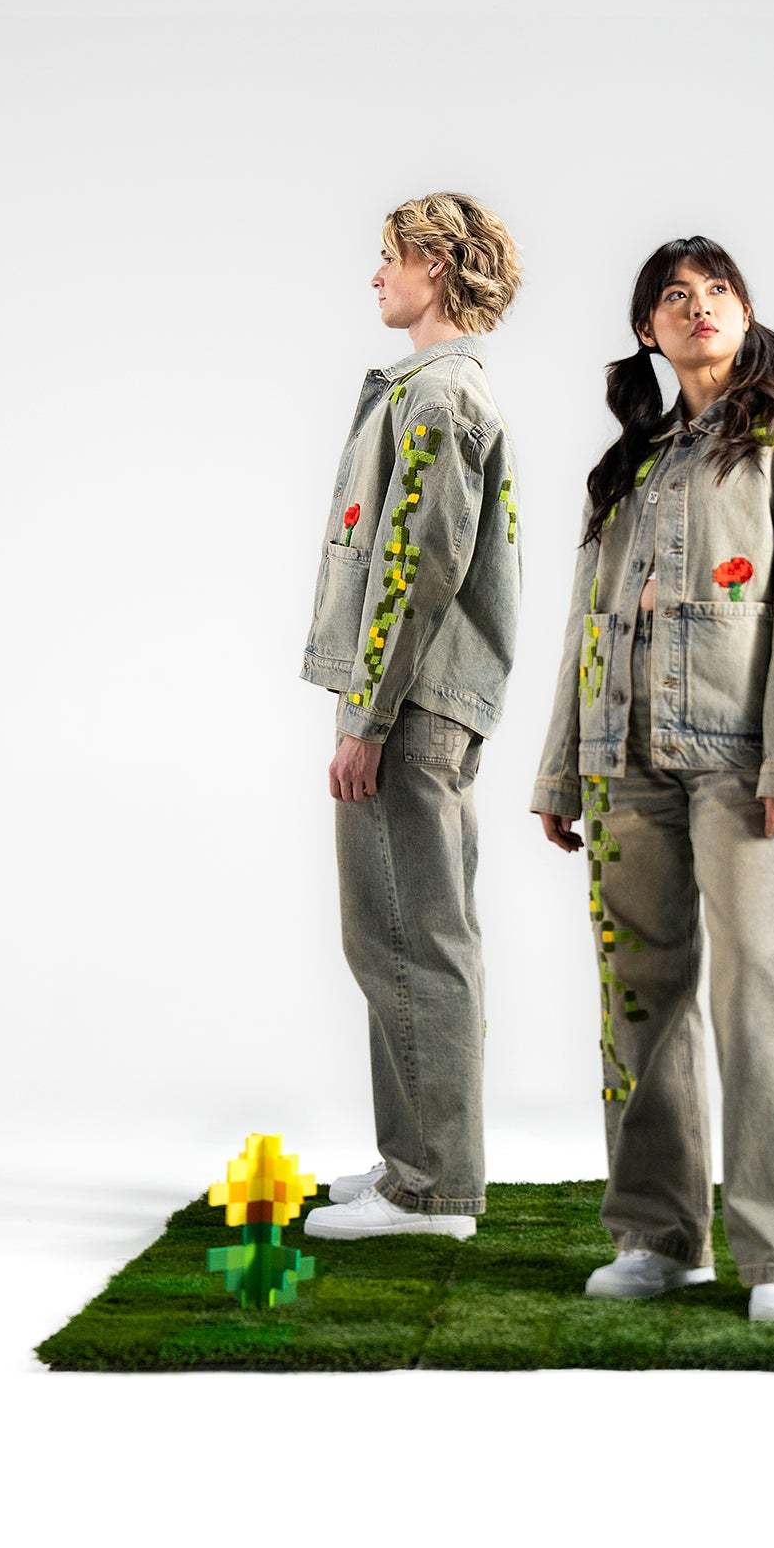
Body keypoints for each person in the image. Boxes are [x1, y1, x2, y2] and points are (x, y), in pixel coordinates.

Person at [530, 235, 774, 1324]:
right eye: (674, 296)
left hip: (736, 762)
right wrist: (561, 768)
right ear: (647, 330)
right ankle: (660, 1238)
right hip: (621, 758)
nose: (698, 306)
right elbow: (586, 623)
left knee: (750, 983)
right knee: (639, 995)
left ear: (744, 313)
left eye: (717, 290)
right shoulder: (626, 464)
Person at [300, 191, 523, 1241]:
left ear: (435, 263)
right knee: (398, 932)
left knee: (411, 937)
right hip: (421, 700)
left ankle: (432, 1192)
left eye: (388, 256)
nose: (376, 275)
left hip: (410, 705)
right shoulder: (434, 389)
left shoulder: (437, 397)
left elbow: (414, 567)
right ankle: (414, 1166)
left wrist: (367, 716)